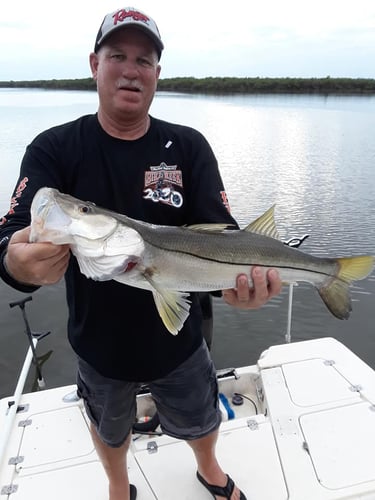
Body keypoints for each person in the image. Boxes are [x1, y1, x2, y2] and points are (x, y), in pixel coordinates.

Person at [0, 7, 281, 500]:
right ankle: (117, 486)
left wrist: (242, 287)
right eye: (117, 56)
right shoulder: (55, 149)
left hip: (181, 343)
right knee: (109, 431)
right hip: (98, 347)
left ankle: (210, 471)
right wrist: (14, 263)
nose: (131, 69)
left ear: (157, 73)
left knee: (201, 418)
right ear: (94, 64)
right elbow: (9, 235)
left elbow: (225, 239)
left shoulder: (189, 147)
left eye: (144, 60)